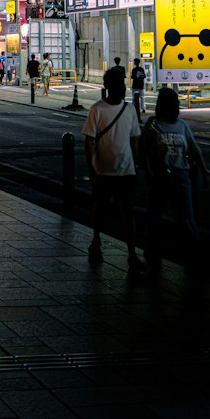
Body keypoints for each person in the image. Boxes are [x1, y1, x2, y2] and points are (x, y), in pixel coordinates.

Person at [138, 87, 210, 270]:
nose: (176, 107)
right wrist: (149, 171)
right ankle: (152, 252)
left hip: (181, 176)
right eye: (174, 104)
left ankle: (195, 254)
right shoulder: (153, 124)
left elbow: (194, 149)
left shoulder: (182, 126)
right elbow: (144, 148)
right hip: (160, 177)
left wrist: (204, 169)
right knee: (154, 216)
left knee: (186, 217)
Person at [82, 81, 145, 274]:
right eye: (119, 87)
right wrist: (92, 167)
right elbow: (89, 140)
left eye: (123, 87)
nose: (122, 90)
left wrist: (135, 163)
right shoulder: (97, 109)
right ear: (110, 87)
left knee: (126, 210)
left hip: (125, 170)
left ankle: (132, 253)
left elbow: (134, 138)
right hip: (104, 170)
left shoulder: (129, 109)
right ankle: (96, 240)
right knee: (101, 207)